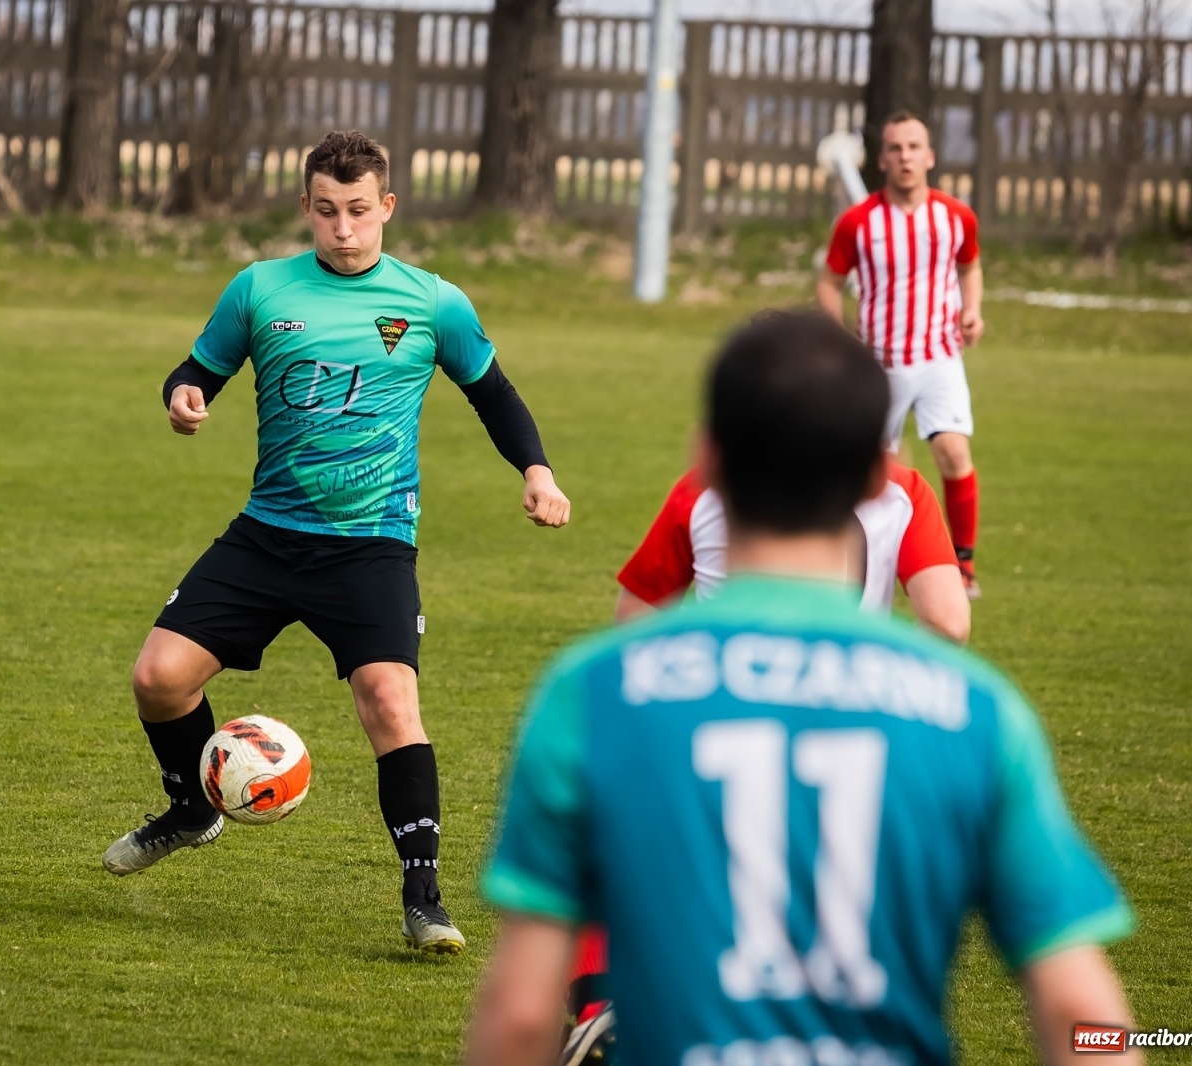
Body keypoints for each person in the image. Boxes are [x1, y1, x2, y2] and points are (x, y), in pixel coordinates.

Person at [467, 312, 1137, 1066]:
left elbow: (521, 1014)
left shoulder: (593, 698)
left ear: (706, 457)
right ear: (874, 471)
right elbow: (1085, 1017)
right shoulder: (976, 716)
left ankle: (602, 1006)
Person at [102, 130, 571, 956]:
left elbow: (495, 394)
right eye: (327, 212)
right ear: (307, 209)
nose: (343, 230)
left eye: (359, 211)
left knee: (390, 702)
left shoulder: (431, 302)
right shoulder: (260, 288)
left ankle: (423, 897)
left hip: (371, 545)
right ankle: (191, 809)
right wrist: (182, 396)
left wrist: (536, 470)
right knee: (157, 678)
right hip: (266, 536)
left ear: (387, 206)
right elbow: (199, 369)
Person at [817, 111, 986, 599]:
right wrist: (840, 335)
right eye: (895, 148)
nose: (905, 156)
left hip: (939, 357)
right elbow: (829, 282)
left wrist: (972, 309)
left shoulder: (956, 216)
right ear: (883, 159)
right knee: (877, 472)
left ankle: (964, 564)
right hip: (881, 364)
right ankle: (872, 562)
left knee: (953, 450)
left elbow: (970, 266)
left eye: (914, 147)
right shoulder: (859, 222)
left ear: (930, 156)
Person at [615, 458, 969, 642]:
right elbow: (948, 623)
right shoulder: (899, 488)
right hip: (851, 721)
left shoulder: (703, 487)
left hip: (729, 719)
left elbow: (636, 617)